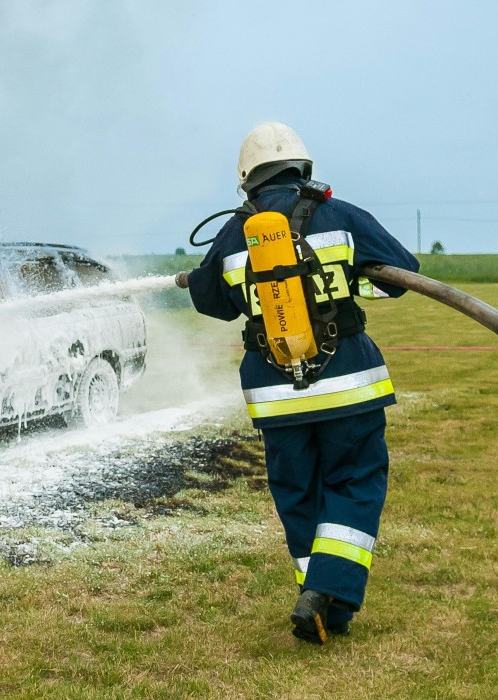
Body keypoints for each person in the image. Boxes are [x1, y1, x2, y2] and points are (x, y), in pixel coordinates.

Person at [179, 122, 418, 644]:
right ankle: (326, 594)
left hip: (274, 394)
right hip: (348, 386)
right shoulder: (340, 215)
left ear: (248, 181)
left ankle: (325, 611)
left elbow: (208, 300)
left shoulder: (236, 231)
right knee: (354, 483)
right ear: (303, 169)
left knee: (298, 494)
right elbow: (402, 271)